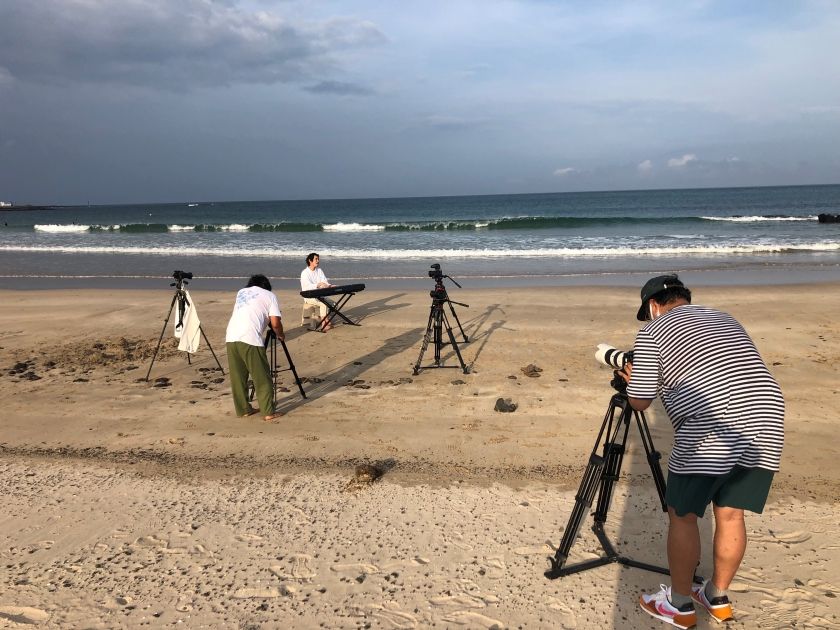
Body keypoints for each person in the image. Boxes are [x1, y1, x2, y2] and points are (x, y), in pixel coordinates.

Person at [619, 274, 784, 629]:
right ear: (686, 299)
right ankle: (716, 595)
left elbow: (640, 400)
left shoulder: (653, 330)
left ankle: (678, 604)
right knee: (730, 514)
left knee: (682, 514)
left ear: (652, 306)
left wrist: (632, 378)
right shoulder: (725, 317)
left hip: (712, 424)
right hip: (767, 417)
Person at [225, 274, 284, 421]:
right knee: (262, 377)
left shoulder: (241, 292)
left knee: (238, 377)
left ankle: (243, 409)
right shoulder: (270, 295)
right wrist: (280, 335)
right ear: (266, 285)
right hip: (250, 338)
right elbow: (275, 323)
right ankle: (268, 412)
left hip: (231, 336)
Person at [300, 252, 335, 332]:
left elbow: (325, 281)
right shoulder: (304, 273)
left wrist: (329, 286)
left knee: (334, 304)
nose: (318, 261)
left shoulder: (319, 270)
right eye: (316, 259)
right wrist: (318, 285)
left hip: (320, 295)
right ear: (310, 260)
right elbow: (307, 286)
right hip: (309, 296)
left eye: (318, 259)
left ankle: (325, 319)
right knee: (324, 303)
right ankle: (324, 324)